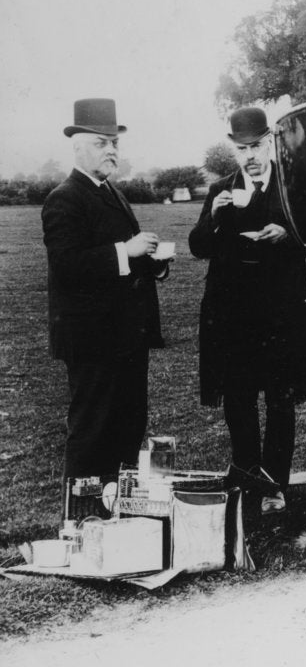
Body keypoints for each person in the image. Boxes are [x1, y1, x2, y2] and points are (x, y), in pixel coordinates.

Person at [189, 107, 306, 514]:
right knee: (238, 398)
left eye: (255, 146)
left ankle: (274, 485)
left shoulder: (290, 186)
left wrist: (288, 234)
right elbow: (198, 246)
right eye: (241, 148)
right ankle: (247, 479)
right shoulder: (221, 190)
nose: (249, 155)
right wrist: (214, 218)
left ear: (270, 143)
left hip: (281, 310)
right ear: (233, 149)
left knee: (280, 400)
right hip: (232, 311)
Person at [42, 98, 170, 482]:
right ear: (77, 146)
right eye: (101, 142)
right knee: (92, 430)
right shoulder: (64, 197)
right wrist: (124, 251)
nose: (112, 150)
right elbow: (66, 266)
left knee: (127, 427)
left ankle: (117, 517)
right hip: (92, 339)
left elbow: (124, 258)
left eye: (114, 142)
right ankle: (81, 521)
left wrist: (153, 262)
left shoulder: (112, 192)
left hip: (127, 336)